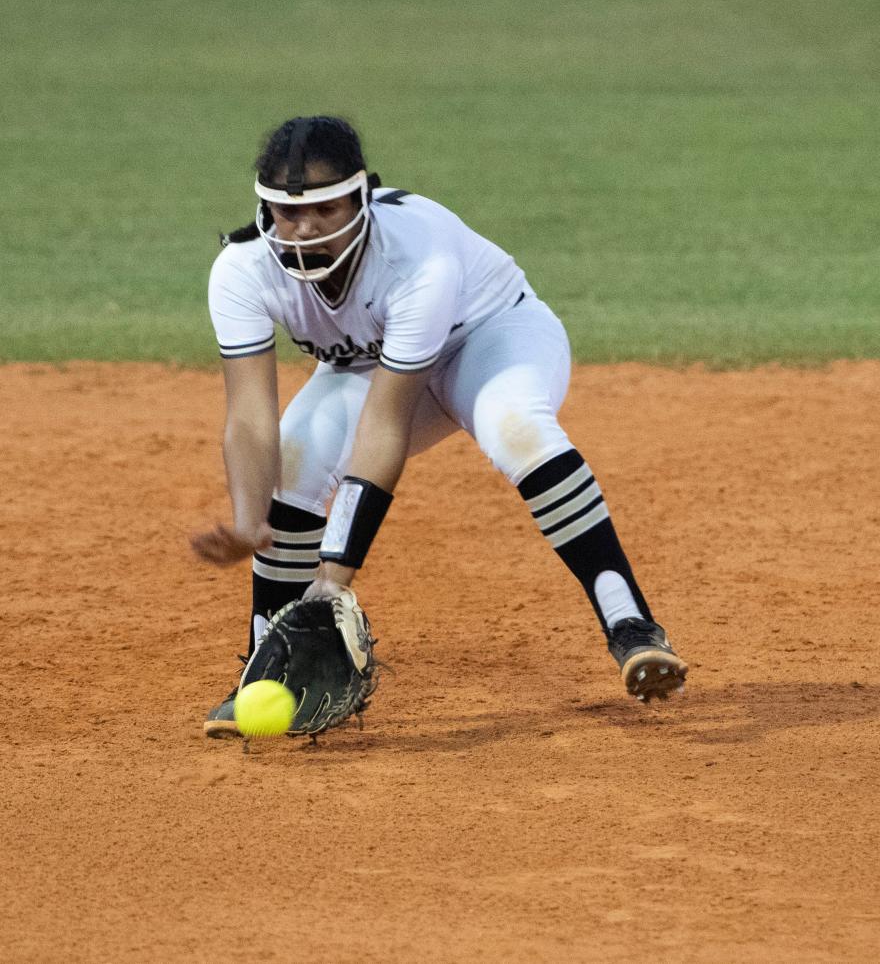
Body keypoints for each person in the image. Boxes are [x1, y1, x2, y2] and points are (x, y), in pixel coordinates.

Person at [192, 115, 687, 737]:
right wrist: (246, 519)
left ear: (361, 197)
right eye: (287, 213)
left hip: (492, 338)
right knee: (295, 455)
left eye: (323, 208)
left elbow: (384, 428)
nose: (304, 228)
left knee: (516, 429)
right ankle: (265, 676)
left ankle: (630, 623)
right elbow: (250, 418)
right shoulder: (243, 269)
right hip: (374, 363)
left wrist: (332, 581)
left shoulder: (416, 254)